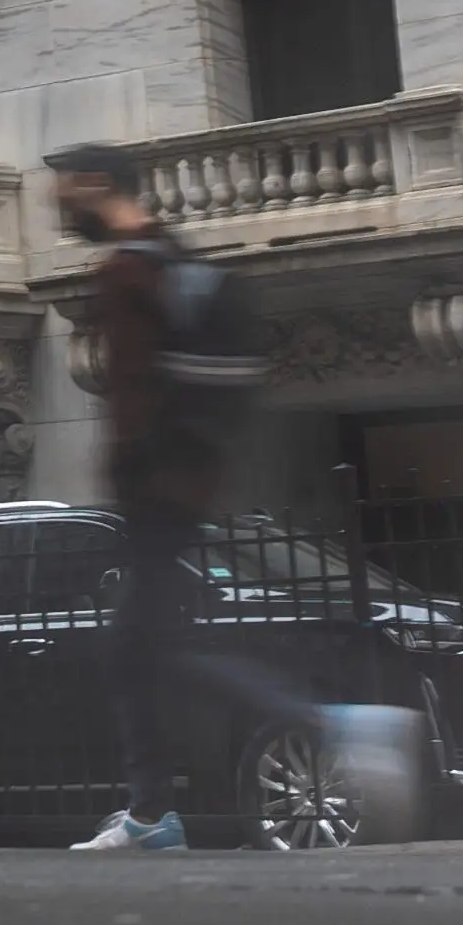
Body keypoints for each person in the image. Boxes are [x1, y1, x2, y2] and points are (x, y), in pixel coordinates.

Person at [54, 142, 301, 852]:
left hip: (156, 494)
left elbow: (134, 396)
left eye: (65, 192)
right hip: (189, 484)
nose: (59, 207)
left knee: (148, 647)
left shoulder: (127, 273)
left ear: (96, 188)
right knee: (145, 645)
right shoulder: (170, 254)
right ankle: (151, 812)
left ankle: (317, 721)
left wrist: (129, 480)